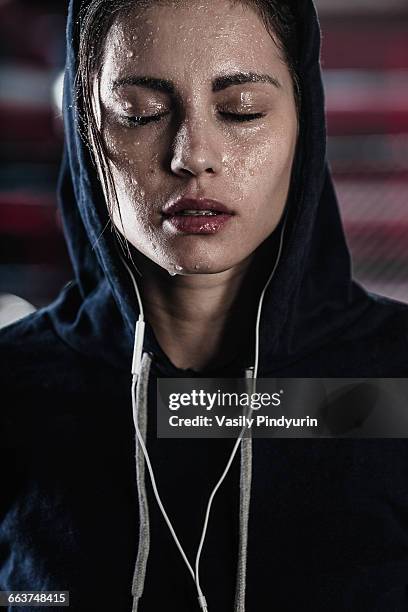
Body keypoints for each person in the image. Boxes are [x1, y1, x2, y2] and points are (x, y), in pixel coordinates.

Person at [1, 0, 408, 611]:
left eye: (241, 111)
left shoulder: (393, 379)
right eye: (142, 114)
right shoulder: (15, 387)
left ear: (304, 122)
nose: (192, 155)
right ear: (85, 127)